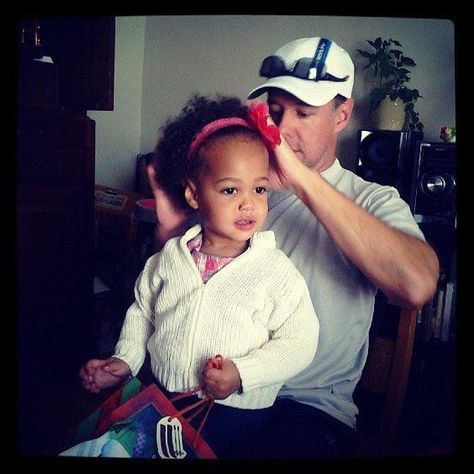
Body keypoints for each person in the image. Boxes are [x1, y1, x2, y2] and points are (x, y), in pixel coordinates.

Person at [145, 37, 440, 458]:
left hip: (305, 409)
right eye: (277, 112)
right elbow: (171, 291)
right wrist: (172, 229)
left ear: (342, 115)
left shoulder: (373, 200)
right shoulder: (238, 189)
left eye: (304, 113)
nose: (282, 131)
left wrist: (301, 179)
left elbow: (416, 285)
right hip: (211, 395)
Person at [79, 95, 319, 457]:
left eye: (259, 188)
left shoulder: (274, 271)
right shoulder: (169, 259)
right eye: (229, 189)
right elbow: (143, 312)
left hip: (235, 412)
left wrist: (243, 373)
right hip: (161, 396)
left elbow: (300, 342)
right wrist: (125, 360)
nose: (248, 203)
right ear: (193, 194)